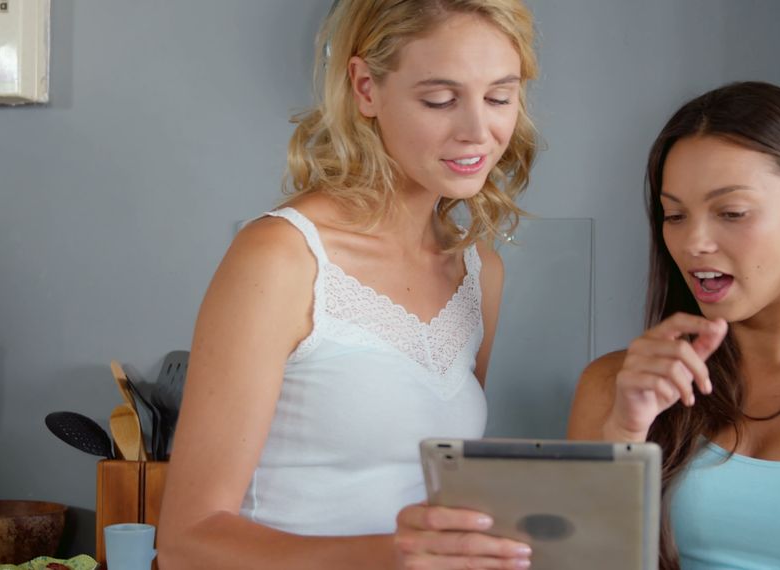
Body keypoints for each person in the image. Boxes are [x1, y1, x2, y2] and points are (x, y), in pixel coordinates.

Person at [156, 1, 539, 568]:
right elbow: (189, 541)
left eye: (500, 97)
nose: (478, 131)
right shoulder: (283, 256)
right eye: (440, 99)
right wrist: (393, 556)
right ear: (365, 88)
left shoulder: (477, 271)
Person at [567, 81, 780, 569]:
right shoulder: (612, 387)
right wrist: (625, 432)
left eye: (731, 212)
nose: (693, 242)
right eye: (674, 214)